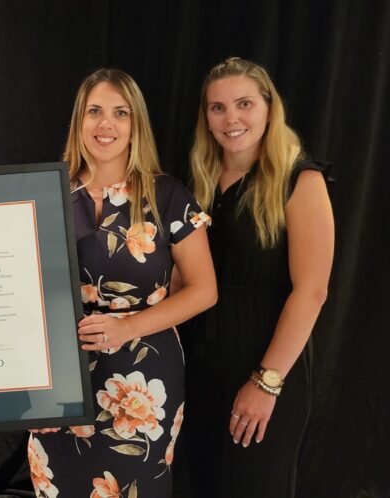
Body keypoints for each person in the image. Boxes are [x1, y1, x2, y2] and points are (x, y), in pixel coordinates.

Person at [28, 69, 217, 498]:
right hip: (59, 378)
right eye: (94, 111)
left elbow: (204, 290)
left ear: (136, 126)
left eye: (119, 113)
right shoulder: (45, 194)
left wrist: (127, 328)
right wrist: (30, 392)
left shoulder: (167, 196)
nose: (105, 124)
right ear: (79, 121)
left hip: (142, 382)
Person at [181, 57, 334, 498]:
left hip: (266, 367)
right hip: (201, 368)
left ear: (269, 107)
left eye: (244, 103)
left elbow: (312, 292)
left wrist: (266, 382)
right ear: (206, 118)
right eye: (218, 108)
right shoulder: (200, 182)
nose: (231, 118)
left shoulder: (299, 181)